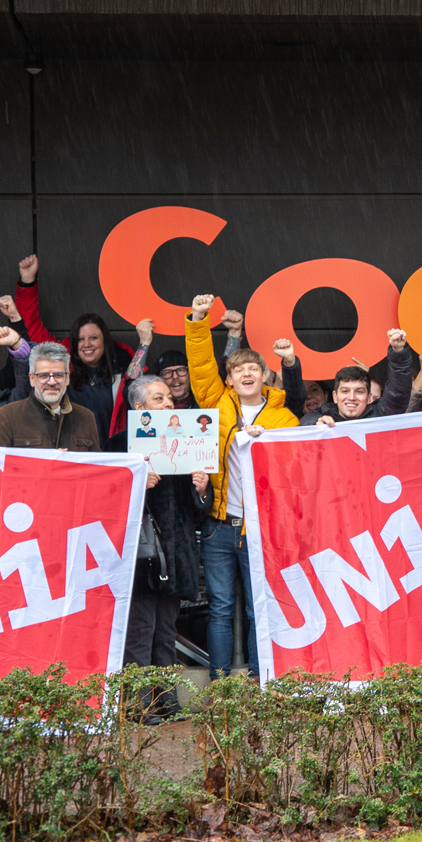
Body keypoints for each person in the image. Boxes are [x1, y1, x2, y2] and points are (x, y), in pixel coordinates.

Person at [186, 295, 303, 679]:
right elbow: (201, 366)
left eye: (254, 368)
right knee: (219, 607)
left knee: (259, 607)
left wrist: (265, 439)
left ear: (265, 376)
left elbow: (294, 471)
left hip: (261, 529)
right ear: (231, 378)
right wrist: (199, 320)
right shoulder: (216, 403)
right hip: (219, 525)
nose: (247, 374)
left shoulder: (284, 417)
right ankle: (220, 684)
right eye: (240, 370)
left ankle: (259, 679)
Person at [122, 374, 209, 721]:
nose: (169, 403)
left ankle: (167, 703)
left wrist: (202, 489)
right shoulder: (120, 444)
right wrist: (137, 480)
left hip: (175, 556)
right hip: (142, 557)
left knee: (165, 632)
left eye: (169, 399)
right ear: (139, 408)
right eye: (159, 399)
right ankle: (138, 706)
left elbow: (199, 511)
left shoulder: (186, 443)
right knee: (140, 632)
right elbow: (110, 501)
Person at [11, 255, 136, 445]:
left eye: (93, 338)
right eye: (80, 339)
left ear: (105, 341)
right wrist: (27, 282)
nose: (87, 344)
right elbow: (31, 328)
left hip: (111, 456)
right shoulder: (62, 362)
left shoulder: (124, 369)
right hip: (73, 456)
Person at [0, 341, 103, 451]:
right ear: (31, 378)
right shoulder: (6, 416)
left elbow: (95, 469)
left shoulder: (86, 417)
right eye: (43, 375)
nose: (51, 382)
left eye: (59, 375)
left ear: (67, 378)